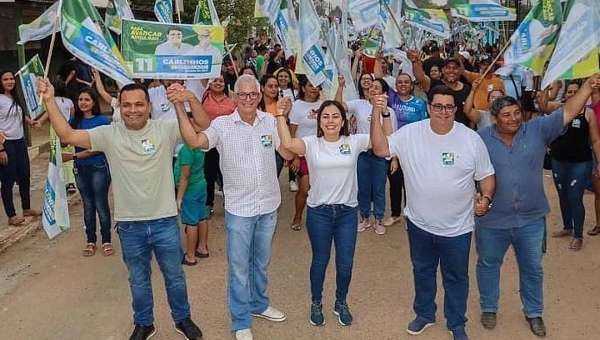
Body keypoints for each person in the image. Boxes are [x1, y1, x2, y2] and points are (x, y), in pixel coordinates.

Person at [38, 79, 205, 340]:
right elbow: (67, 136)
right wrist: (49, 100)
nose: (133, 110)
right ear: (119, 108)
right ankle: (144, 323)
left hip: (165, 221)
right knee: (138, 280)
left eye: (139, 104)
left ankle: (182, 318)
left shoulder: (165, 129)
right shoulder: (109, 133)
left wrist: (183, 103)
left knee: (175, 277)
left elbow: (200, 129)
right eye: (126, 105)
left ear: (149, 106)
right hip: (130, 225)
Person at [474, 74, 600, 337]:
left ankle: (534, 312)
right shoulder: (480, 139)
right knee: (487, 264)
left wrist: (588, 87)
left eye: (517, 113)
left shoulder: (538, 129)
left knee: (532, 268)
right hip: (492, 220)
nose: (513, 119)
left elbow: (568, 111)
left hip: (531, 219)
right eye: (506, 115)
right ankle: (489, 307)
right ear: (495, 119)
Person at [370, 85, 496, 340]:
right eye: (438, 106)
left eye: (449, 107)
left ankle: (456, 323)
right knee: (423, 271)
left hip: (458, 228)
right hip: (419, 225)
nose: (443, 112)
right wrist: (376, 112)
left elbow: (487, 176)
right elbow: (381, 149)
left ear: (455, 108)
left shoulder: (471, 139)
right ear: (429, 108)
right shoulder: (410, 134)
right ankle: (425, 314)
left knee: (457, 278)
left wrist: (486, 197)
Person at [174, 74, 293, 340]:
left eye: (253, 94)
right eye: (243, 94)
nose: (248, 99)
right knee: (239, 268)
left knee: (260, 263)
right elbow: (195, 141)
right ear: (234, 95)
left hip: (268, 206)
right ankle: (241, 321)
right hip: (240, 210)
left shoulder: (270, 122)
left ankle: (259, 304)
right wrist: (180, 106)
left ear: (260, 95)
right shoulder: (223, 125)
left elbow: (287, 153)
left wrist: (283, 118)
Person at [276, 98, 392, 327]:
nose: (330, 121)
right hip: (319, 212)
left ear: (344, 120)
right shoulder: (311, 143)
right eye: (325, 116)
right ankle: (316, 302)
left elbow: (385, 140)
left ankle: (341, 302)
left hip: (347, 213)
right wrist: (281, 115)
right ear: (319, 121)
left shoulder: (355, 141)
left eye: (335, 116)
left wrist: (383, 113)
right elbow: (287, 145)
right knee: (320, 260)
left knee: (345, 263)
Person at [538, 80, 600, 251]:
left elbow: (595, 140)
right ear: (565, 95)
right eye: (569, 92)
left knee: (575, 197)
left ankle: (578, 235)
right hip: (559, 160)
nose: (572, 94)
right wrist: (545, 87)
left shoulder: (589, 114)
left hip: (580, 162)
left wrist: (599, 162)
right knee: (563, 195)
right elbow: (543, 105)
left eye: (575, 91)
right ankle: (567, 227)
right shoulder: (559, 109)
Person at [336, 76, 397, 235]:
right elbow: (338, 107)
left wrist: (394, 158)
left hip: (380, 154)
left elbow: (393, 137)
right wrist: (341, 86)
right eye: (371, 87)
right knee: (363, 187)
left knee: (378, 188)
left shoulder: (389, 112)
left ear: (384, 93)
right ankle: (364, 218)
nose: (372, 89)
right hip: (362, 152)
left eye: (377, 87)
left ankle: (378, 219)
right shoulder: (359, 104)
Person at [65, 88, 113, 257]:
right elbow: (64, 139)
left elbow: (99, 147)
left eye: (87, 99)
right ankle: (90, 240)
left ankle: (106, 240)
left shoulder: (102, 121)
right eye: (80, 99)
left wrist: (73, 155)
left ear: (94, 102)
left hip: (98, 166)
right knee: (88, 205)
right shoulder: (74, 121)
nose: (83, 102)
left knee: (100, 204)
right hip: (80, 169)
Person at [0, 70, 42, 226]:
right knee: (8, 180)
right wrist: (1, 149)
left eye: (11, 79)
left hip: (19, 141)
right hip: (6, 143)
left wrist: (30, 122)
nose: (10, 81)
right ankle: (11, 215)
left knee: (24, 175)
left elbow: (19, 114)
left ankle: (26, 207)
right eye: (5, 79)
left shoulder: (13, 98)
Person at [288, 76, 322, 230]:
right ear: (303, 88)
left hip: (320, 152)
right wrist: (294, 156)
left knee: (321, 187)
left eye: (316, 85)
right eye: (310, 85)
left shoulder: (324, 106)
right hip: (301, 153)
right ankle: (297, 216)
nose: (314, 88)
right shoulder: (296, 107)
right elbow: (292, 133)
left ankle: (318, 218)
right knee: (304, 188)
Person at [201, 75, 236, 218]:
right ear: (209, 83)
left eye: (221, 81)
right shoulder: (203, 97)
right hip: (210, 143)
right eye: (215, 80)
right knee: (208, 175)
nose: (218, 83)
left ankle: (230, 204)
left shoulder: (231, 101)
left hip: (227, 143)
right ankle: (208, 204)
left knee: (227, 175)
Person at [409, 52, 472, 127]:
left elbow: (471, 114)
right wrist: (415, 61)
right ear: (442, 70)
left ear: (459, 71)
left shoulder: (467, 89)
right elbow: (420, 77)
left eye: (455, 68)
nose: (451, 71)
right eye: (448, 68)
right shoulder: (434, 84)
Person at [174, 136, 209, 265]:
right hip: (200, 184)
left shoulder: (186, 151)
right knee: (201, 218)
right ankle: (202, 247)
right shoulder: (200, 147)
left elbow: (185, 175)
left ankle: (190, 255)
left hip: (190, 190)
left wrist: (179, 197)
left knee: (191, 223)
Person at [52, 79, 77, 193]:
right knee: (69, 156)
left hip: (55, 129)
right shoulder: (69, 102)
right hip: (68, 128)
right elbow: (72, 116)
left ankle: (58, 180)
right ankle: (70, 182)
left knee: (56, 155)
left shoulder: (51, 101)